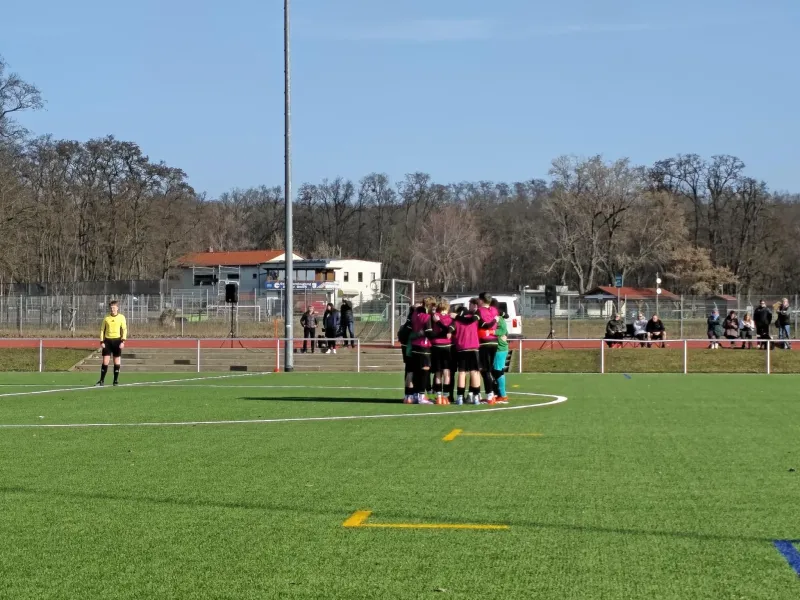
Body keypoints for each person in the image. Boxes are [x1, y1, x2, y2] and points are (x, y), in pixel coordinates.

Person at [453, 299, 482, 405]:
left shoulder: (457, 320)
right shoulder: (474, 319)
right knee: (474, 372)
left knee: (462, 373)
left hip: (461, 348)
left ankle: (460, 397)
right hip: (473, 348)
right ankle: (476, 397)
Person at [409, 298, 435, 404]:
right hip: (423, 346)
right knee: (424, 371)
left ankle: (415, 395)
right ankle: (421, 396)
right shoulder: (427, 317)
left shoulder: (415, 315)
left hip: (415, 345)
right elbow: (429, 332)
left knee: (416, 371)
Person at [96, 300, 127, 387]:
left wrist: (123, 341)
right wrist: (102, 341)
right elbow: (102, 330)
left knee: (116, 361)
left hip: (117, 341)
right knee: (105, 361)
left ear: (117, 308)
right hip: (107, 342)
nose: (112, 309)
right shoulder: (106, 318)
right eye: (111, 307)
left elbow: (124, 330)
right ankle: (102, 380)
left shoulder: (121, 317)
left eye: (114, 307)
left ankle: (115, 380)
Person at [476, 292, 500, 403]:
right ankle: (494, 392)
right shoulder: (494, 310)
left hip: (484, 342)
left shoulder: (479, 311)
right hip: (494, 341)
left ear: (481, 300)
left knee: (484, 369)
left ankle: (490, 394)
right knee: (489, 369)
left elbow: (483, 325)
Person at [430, 299, 455, 405]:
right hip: (447, 346)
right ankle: (445, 396)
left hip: (436, 345)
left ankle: (439, 396)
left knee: (438, 372)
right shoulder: (450, 317)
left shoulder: (435, 316)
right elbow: (450, 330)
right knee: (447, 372)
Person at [492, 305, 510, 404]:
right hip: (500, 349)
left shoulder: (498, 319)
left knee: (497, 371)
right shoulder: (499, 318)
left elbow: (503, 331)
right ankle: (499, 394)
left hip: (500, 349)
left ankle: (503, 395)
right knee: (497, 371)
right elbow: (506, 332)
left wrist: (491, 332)